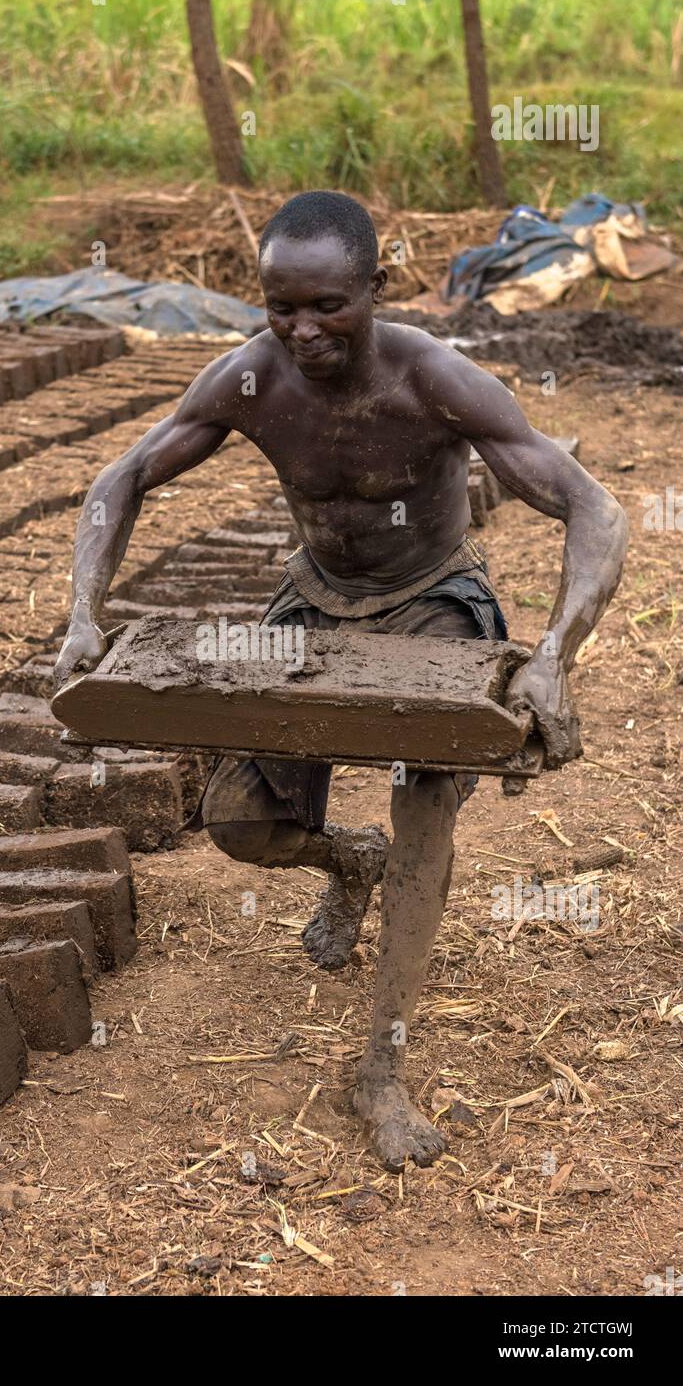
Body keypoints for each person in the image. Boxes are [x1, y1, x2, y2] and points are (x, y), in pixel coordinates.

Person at [55, 191, 627, 1171]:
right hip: (313, 601)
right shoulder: (251, 381)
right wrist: (81, 613)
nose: (304, 331)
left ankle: (381, 1071)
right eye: (282, 308)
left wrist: (552, 655)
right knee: (240, 823)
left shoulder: (435, 380)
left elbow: (593, 508)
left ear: (376, 288)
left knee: (427, 822)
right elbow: (124, 476)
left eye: (329, 306)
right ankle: (344, 860)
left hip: (432, 597)